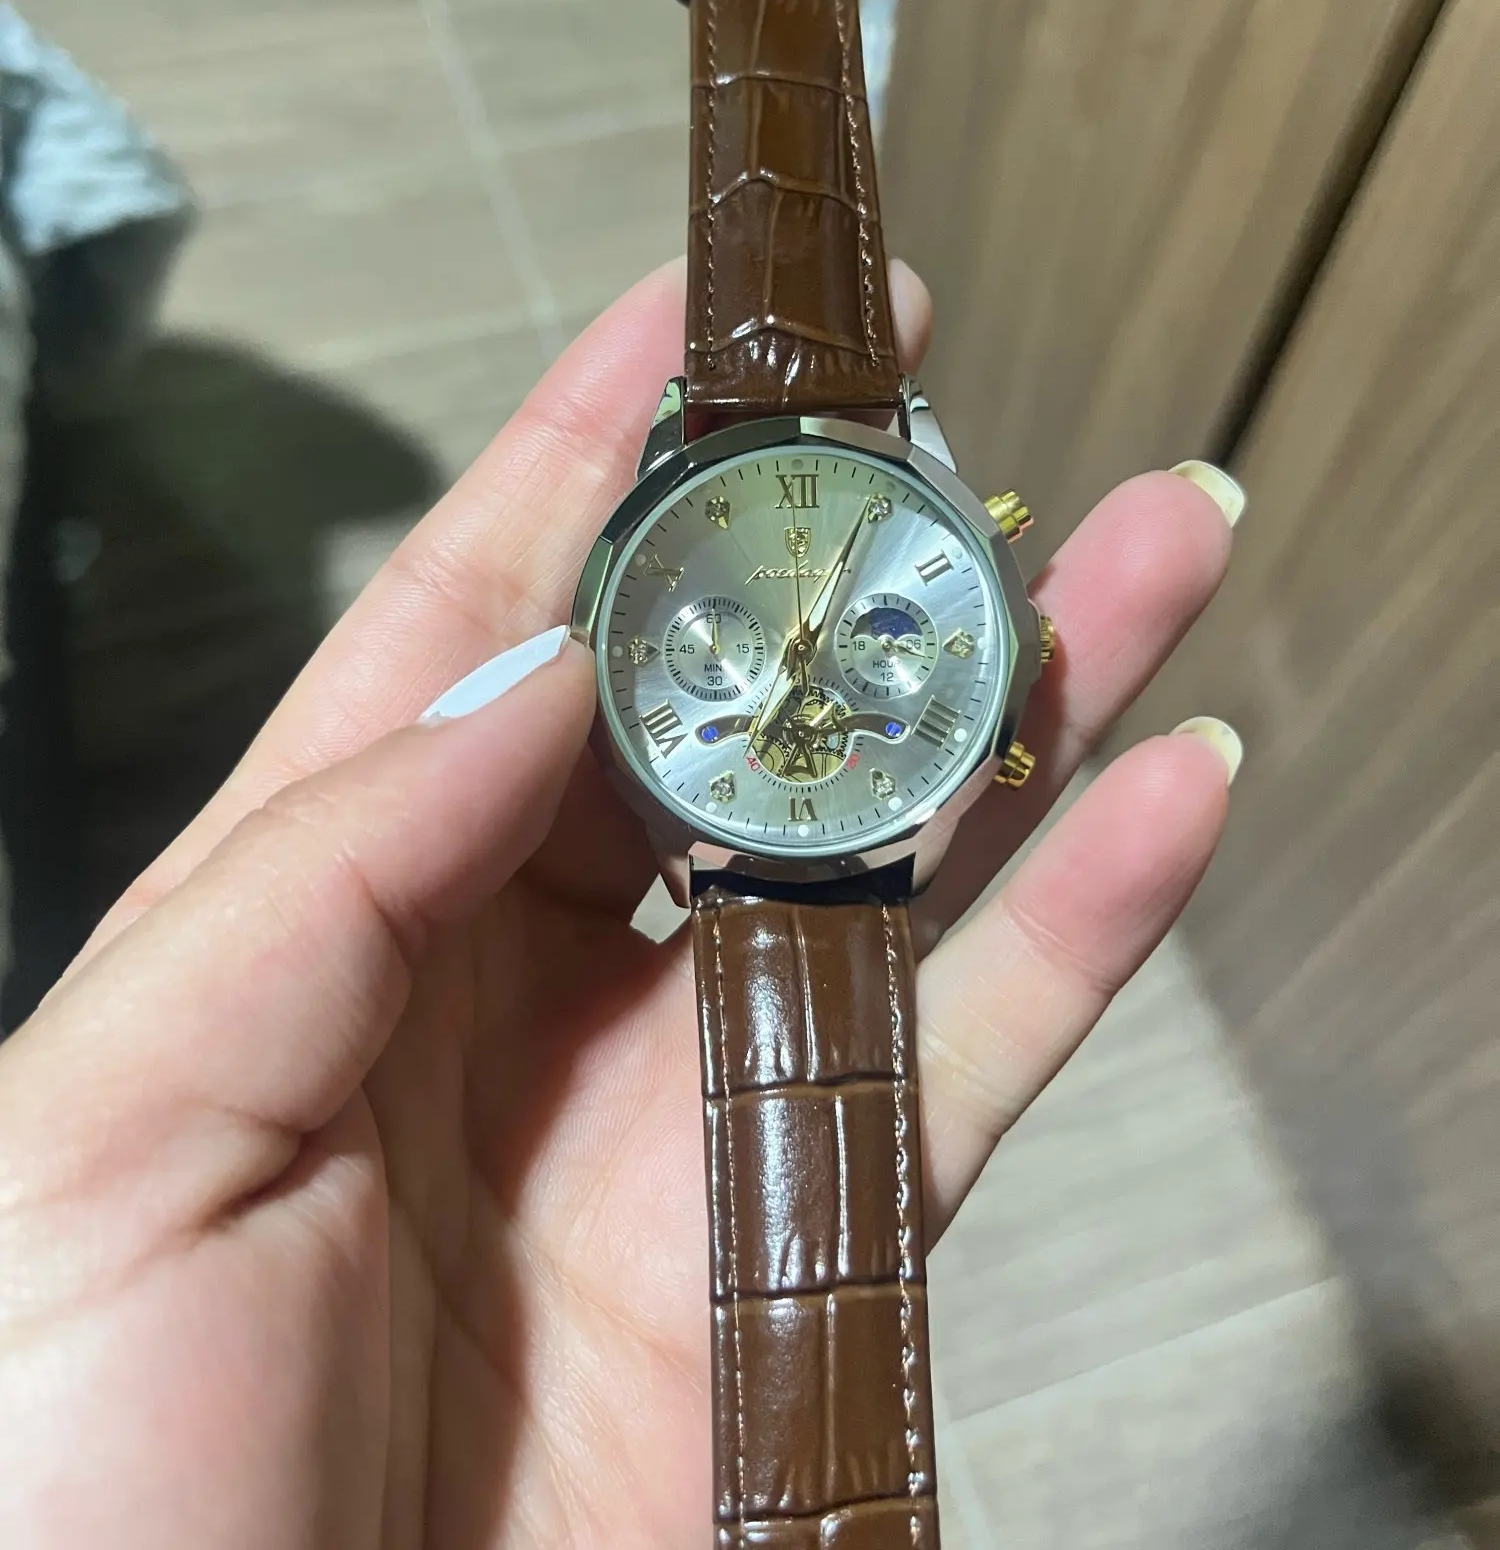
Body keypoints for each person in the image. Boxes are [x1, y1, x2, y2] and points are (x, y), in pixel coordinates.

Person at [0, 261, 1240, 1545]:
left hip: (855, 811)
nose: (802, 656)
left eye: (855, 642)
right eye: (746, 641)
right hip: (735, 814)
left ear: (1006, 656)